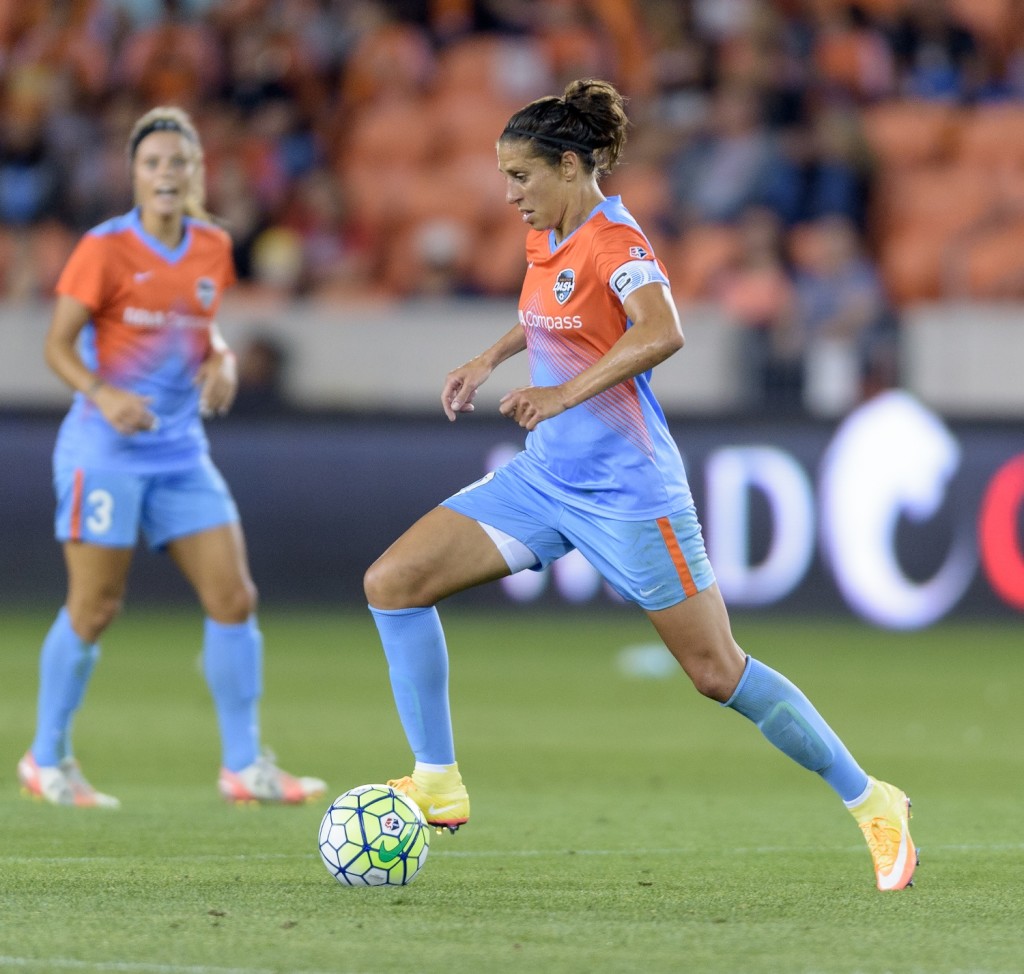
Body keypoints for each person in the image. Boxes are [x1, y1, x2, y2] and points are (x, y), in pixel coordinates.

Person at [364, 79, 917, 891]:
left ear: (571, 165)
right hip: (547, 480)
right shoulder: (548, 231)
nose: (508, 193)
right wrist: (491, 357)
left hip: (630, 496)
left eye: (520, 176)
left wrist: (560, 394)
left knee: (716, 673)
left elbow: (664, 331)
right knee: (394, 582)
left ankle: (872, 800)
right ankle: (437, 779)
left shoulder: (616, 242)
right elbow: (550, 311)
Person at [17, 106, 326, 808]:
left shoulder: (213, 246)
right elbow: (57, 346)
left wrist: (220, 360)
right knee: (95, 608)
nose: (165, 173)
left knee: (234, 597)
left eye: (177, 162)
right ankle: (46, 758)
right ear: (134, 174)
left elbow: (199, 330)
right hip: (106, 451)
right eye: (153, 162)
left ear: (195, 173)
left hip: (182, 453)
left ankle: (244, 766)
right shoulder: (102, 248)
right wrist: (103, 392)